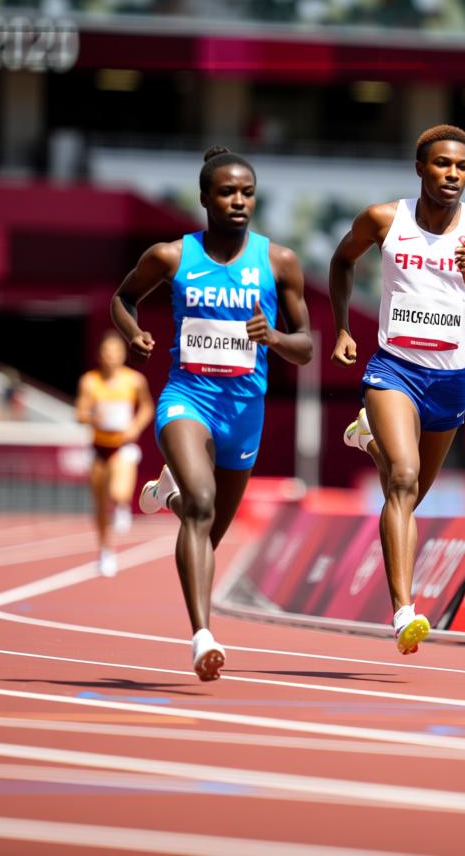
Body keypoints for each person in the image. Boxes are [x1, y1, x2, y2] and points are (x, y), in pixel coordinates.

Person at [110, 146, 313, 680]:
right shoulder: (172, 257)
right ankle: (202, 637)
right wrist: (133, 332)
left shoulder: (279, 262)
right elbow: (122, 298)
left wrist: (274, 337)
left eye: (247, 192)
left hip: (245, 410)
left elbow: (307, 345)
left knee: (208, 530)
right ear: (204, 198)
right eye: (227, 192)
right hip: (187, 399)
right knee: (201, 507)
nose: (238, 201)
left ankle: (168, 494)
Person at [329, 124, 465, 655]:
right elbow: (343, 261)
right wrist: (343, 326)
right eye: (441, 164)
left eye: (461, 166)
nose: (452, 174)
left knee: (407, 498)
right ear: (420, 168)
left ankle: (367, 439)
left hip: (449, 381)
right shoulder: (385, 219)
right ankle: (404, 611)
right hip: (393, 369)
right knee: (403, 480)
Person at [75, 331, 154, 577]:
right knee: (99, 507)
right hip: (99, 447)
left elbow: (147, 408)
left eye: (116, 352)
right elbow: (80, 413)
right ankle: (105, 551)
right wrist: (93, 417)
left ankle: (122, 506)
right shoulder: (90, 381)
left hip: (123, 446)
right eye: (107, 352)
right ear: (100, 355)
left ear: (123, 355)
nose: (111, 357)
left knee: (117, 490)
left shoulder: (135, 381)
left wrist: (135, 426)